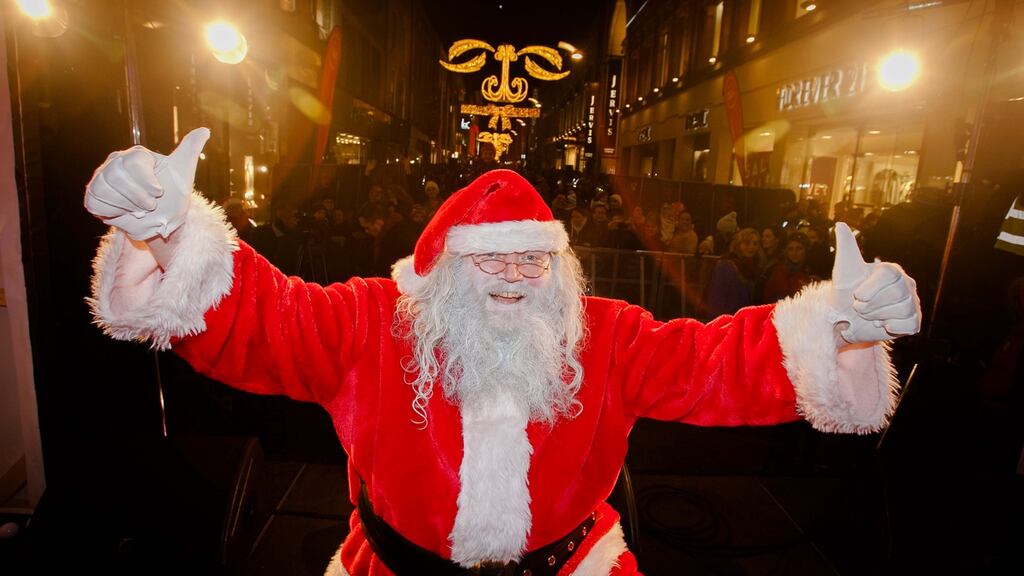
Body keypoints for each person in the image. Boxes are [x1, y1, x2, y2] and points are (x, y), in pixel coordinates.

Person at [84, 129, 921, 576]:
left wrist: (841, 328)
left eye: (532, 258)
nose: (515, 276)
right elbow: (267, 317)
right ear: (444, 268)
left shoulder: (607, 334)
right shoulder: (373, 321)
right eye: (492, 258)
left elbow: (720, 361)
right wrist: (167, 234)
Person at [707, 227, 762, 317]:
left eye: (755, 244)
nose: (751, 247)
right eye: (747, 243)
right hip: (728, 320)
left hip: (744, 319)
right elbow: (716, 299)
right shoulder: (726, 266)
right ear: (738, 244)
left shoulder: (755, 267)